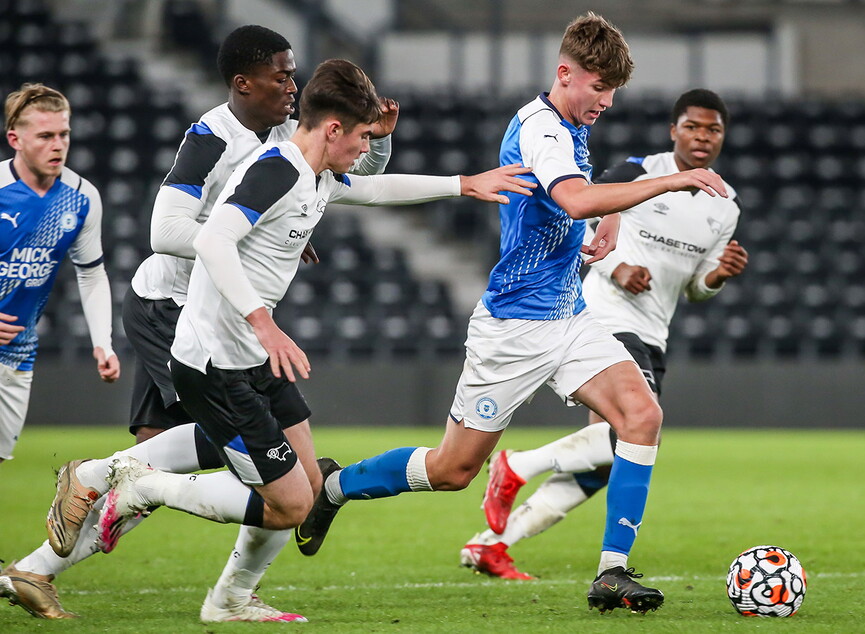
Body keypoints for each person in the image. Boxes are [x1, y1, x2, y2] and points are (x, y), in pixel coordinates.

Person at [265, 13, 728, 616]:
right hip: (513, 327)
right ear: (566, 74)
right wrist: (667, 185)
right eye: (599, 88)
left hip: (568, 312)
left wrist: (600, 222)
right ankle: (335, 486)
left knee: (641, 416)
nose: (608, 102)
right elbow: (572, 195)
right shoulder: (543, 130)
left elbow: (572, 204)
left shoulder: (571, 123)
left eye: (613, 92)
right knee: (454, 468)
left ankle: (612, 572)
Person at [93, 57, 537, 623]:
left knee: (304, 485)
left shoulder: (314, 173)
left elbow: (376, 190)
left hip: (249, 358)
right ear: (332, 129)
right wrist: (262, 319)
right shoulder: (276, 169)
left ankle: (228, 599)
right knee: (292, 504)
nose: (362, 151)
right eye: (360, 138)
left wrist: (464, 184)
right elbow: (212, 242)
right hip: (215, 361)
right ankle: (143, 487)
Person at [0, 25, 397, 621]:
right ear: (244, 82)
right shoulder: (209, 137)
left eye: (293, 73)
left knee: (244, 464)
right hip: (174, 311)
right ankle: (67, 548)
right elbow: (165, 233)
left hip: (217, 314)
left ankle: (59, 561)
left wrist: (374, 152)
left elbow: (345, 179)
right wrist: (240, 232)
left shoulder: (290, 134)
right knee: (195, 466)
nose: (293, 83)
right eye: (281, 74)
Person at [460, 88, 749, 580]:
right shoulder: (639, 171)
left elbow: (694, 289)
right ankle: (518, 465)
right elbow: (589, 205)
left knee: (610, 459)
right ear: (673, 131)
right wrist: (615, 267)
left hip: (653, 332)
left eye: (713, 129)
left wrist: (716, 278)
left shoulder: (725, 206)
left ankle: (494, 543)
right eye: (693, 127)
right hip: (606, 318)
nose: (702, 137)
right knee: (632, 433)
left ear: (723, 137)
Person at [0, 82, 120, 468]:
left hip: (17, 352)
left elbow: (91, 275)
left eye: (64, 134)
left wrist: (102, 341)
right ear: (15, 139)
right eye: (46, 136)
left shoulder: (82, 197)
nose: (58, 145)